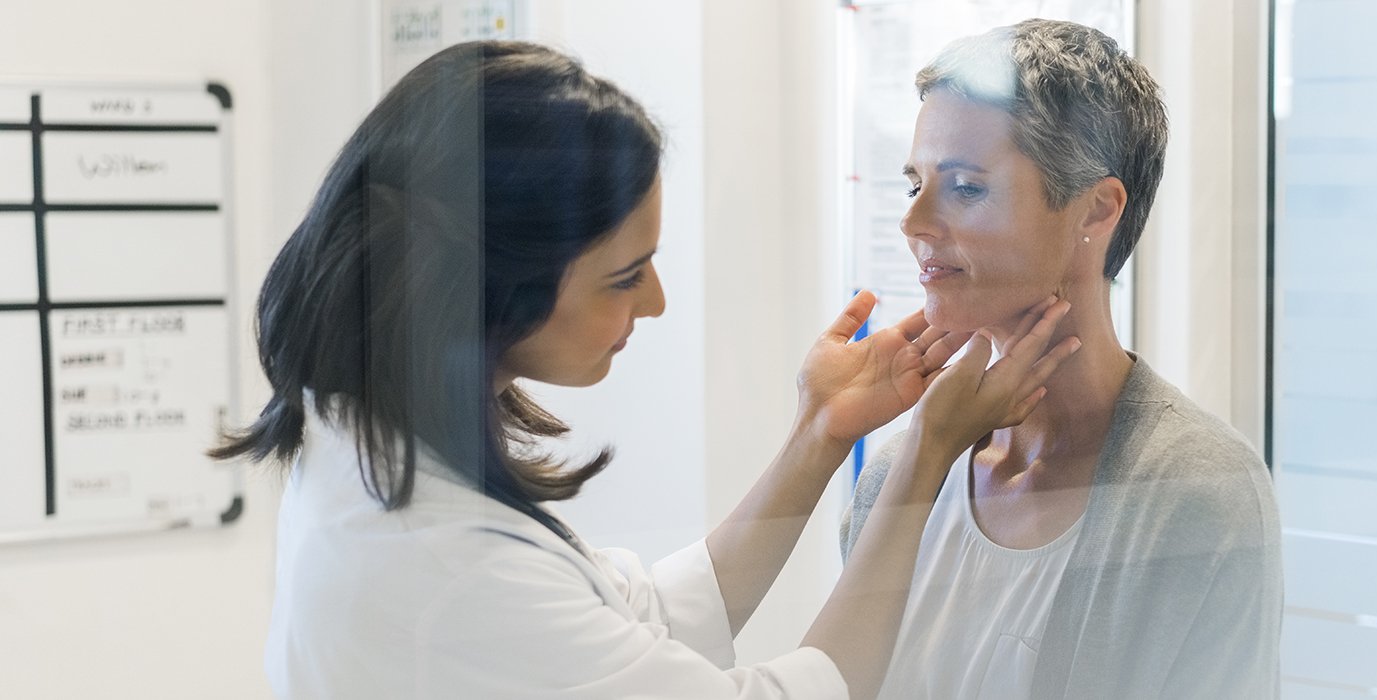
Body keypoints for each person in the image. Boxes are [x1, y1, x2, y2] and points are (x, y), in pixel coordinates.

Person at [211, 41, 1079, 700]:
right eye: (625, 276)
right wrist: (926, 452)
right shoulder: (440, 565)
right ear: (484, 285)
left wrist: (819, 436)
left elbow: (649, 623)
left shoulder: (369, 438)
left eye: (964, 185)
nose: (656, 302)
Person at [839, 19, 1282, 698]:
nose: (913, 222)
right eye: (914, 184)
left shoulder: (1198, 494)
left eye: (963, 187)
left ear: (1096, 212)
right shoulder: (898, 472)